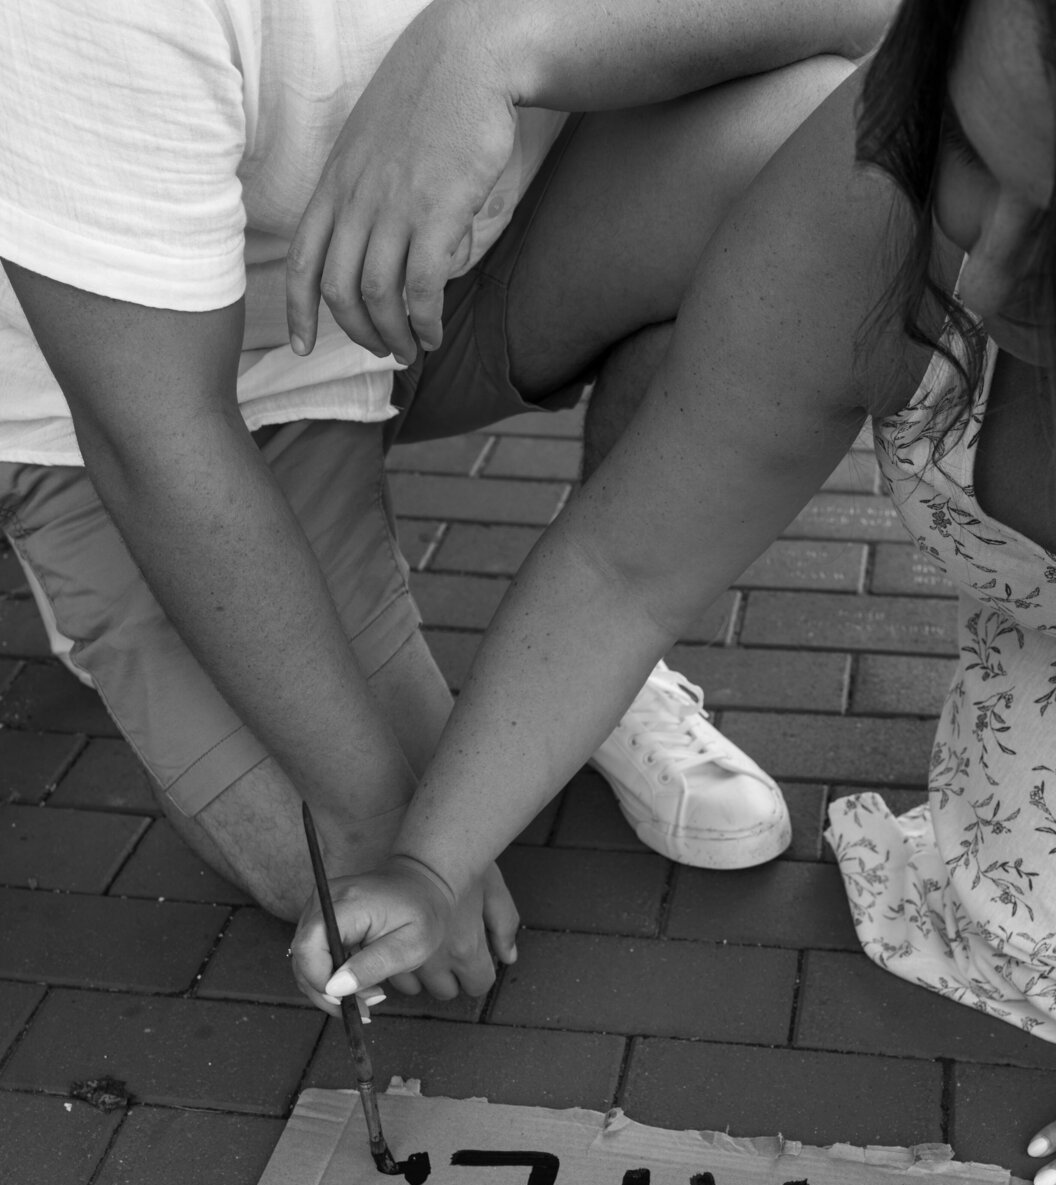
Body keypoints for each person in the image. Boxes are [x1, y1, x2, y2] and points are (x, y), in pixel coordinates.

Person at [292, 0, 1056, 1185]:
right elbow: (632, 565)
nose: (983, 266)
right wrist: (429, 858)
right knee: (1041, 920)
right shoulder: (874, 180)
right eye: (973, 156)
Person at [0, 0, 894, 997]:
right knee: (348, 874)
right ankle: (107, 592)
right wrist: (380, 827)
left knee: (828, 143)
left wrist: (490, 42)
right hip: (127, 407)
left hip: (422, 295)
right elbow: (155, 436)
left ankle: (600, 673)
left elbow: (872, 15)